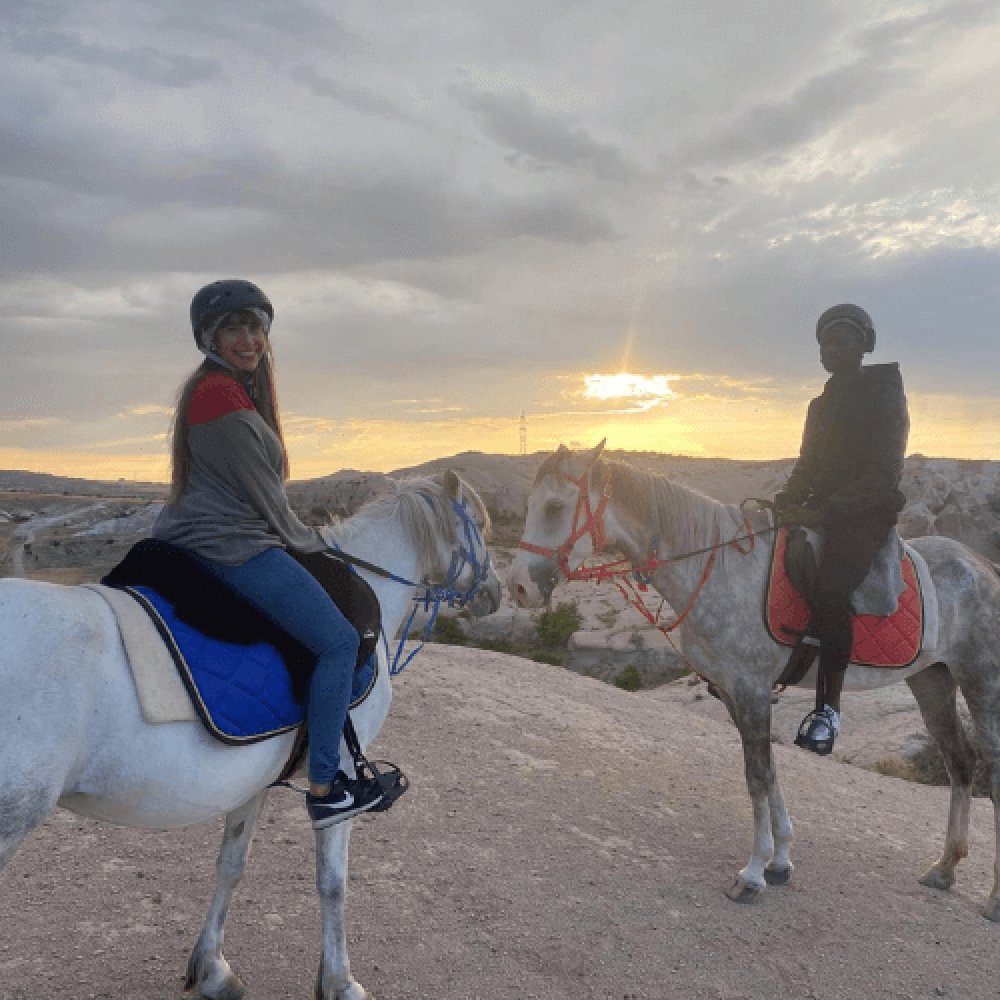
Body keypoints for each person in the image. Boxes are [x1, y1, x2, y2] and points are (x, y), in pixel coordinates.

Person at [153, 278, 386, 827]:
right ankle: (326, 786)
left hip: (202, 536)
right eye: (233, 328)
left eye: (255, 327)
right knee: (337, 641)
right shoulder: (220, 395)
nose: (249, 339)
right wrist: (316, 544)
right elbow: (268, 502)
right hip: (230, 544)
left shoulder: (219, 390)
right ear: (209, 337)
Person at [773, 303, 909, 755]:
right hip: (823, 508)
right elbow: (808, 463)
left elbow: (882, 475)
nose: (832, 350)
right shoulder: (820, 405)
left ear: (863, 347)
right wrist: (789, 500)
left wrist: (826, 511)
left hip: (865, 514)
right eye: (826, 344)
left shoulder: (885, 396)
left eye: (842, 341)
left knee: (833, 591)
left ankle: (827, 711)